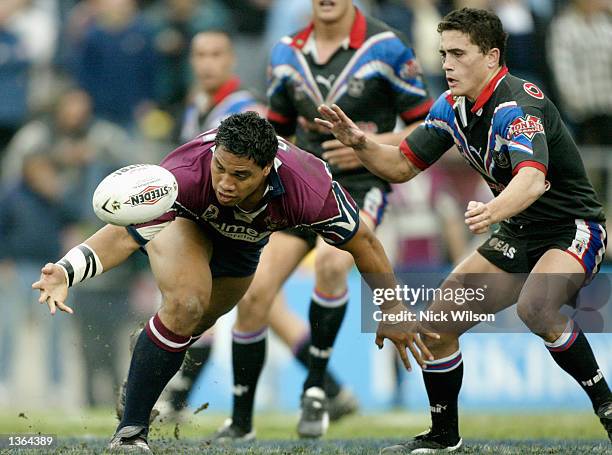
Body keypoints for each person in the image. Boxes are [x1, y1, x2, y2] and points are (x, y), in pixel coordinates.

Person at [32, 112, 433, 451]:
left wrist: (394, 307)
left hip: (244, 248)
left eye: (240, 175)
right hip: (188, 226)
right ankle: (131, 434)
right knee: (185, 306)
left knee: (196, 322)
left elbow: (363, 242)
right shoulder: (183, 175)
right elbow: (125, 232)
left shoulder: (308, 187)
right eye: (220, 168)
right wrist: (67, 270)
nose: (225, 182)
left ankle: (147, 349)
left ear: (267, 168)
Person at [315, 7, 611, 453]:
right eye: (443, 53)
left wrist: (493, 211)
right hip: (516, 232)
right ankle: (442, 436)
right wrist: (361, 144)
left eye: (458, 53)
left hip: (570, 231)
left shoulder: (518, 105)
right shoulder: (450, 107)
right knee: (436, 329)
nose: (446, 64)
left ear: (491, 57)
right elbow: (400, 167)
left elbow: (532, 179)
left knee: (537, 307)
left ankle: (607, 408)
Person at [214, 0, 434, 440]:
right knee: (255, 295)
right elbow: (273, 133)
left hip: (359, 186)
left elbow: (428, 125)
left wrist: (367, 144)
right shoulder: (284, 51)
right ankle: (240, 422)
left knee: (334, 265)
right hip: (297, 187)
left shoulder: (387, 47)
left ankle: (315, 388)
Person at [117, 30, 358, 423]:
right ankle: (332, 387)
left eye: (216, 54)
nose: (207, 63)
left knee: (223, 298)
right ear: (192, 62)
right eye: (200, 55)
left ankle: (177, 394)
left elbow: (274, 163)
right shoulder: (197, 107)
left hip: (267, 217)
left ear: (231, 61)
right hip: (224, 220)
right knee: (257, 302)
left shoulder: (244, 109)